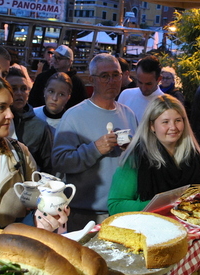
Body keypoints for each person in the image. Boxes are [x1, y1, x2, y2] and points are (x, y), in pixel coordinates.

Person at [0, 72, 67, 230]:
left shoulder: (19, 153)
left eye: (9, 107)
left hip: (16, 250)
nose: (10, 114)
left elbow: (38, 206)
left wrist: (49, 213)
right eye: (1, 107)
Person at [52, 53, 138, 231]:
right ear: (92, 80)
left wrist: (132, 149)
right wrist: (95, 149)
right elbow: (60, 161)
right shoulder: (74, 116)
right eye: (104, 76)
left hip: (122, 210)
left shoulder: (128, 113)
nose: (111, 81)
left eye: (116, 75)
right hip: (86, 213)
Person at [108, 94, 200, 214]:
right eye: (165, 122)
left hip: (190, 226)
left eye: (178, 120)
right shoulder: (136, 158)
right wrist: (166, 204)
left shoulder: (193, 155)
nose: (173, 127)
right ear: (151, 126)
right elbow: (115, 205)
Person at [5, 67, 54, 174]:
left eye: (23, 88)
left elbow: (48, 167)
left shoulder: (40, 127)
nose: (19, 93)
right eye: (13, 88)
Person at [28, 45, 87, 111]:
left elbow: (80, 105)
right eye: (54, 57)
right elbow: (33, 99)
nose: (55, 60)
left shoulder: (77, 82)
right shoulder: (42, 77)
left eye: (59, 58)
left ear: (69, 61)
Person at [118, 55, 165, 122]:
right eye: (140, 82)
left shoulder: (164, 103)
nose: (143, 88)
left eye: (148, 84)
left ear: (159, 79)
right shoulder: (125, 95)